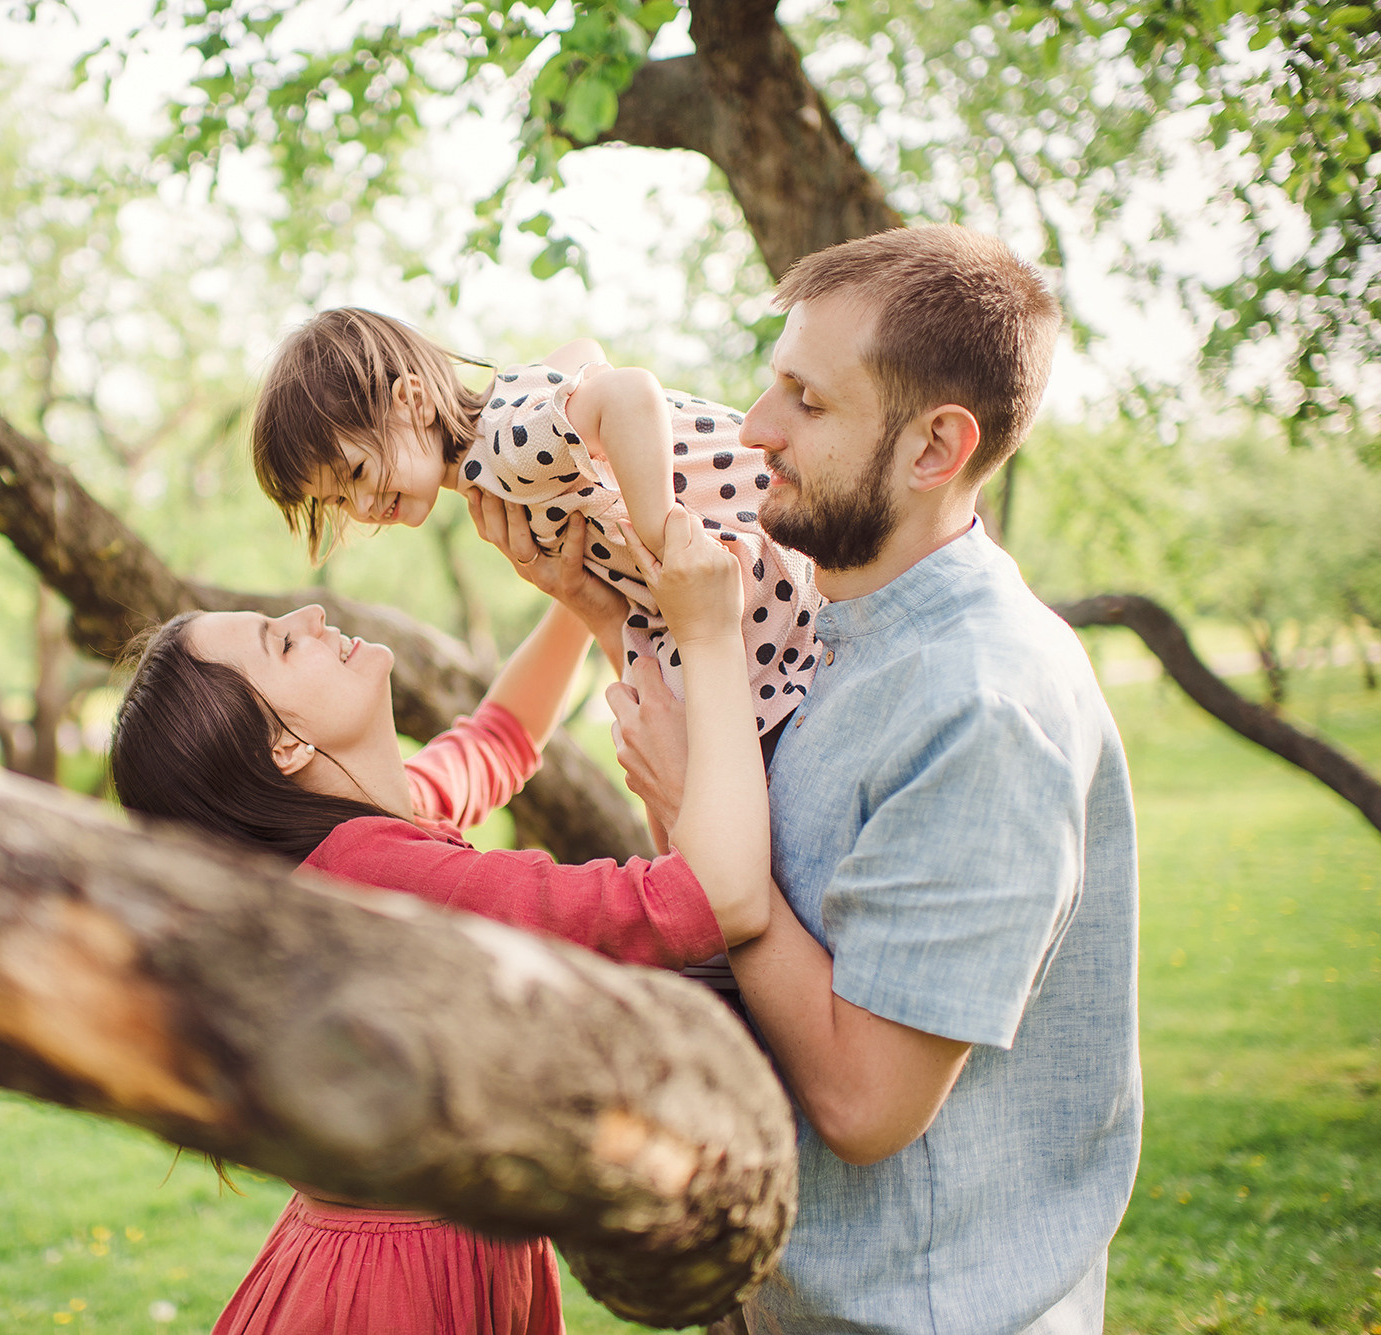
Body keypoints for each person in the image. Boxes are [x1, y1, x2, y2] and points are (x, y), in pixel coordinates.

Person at [610, 225, 1141, 1333]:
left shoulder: (979, 704)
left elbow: (864, 1103)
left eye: (806, 400)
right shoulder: (835, 640)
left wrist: (723, 871)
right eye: (771, 384)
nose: (756, 429)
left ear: (933, 448)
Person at [110, 493, 768, 1335]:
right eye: (280, 641)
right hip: (403, 1293)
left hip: (402, 1256)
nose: (312, 611)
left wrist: (577, 598)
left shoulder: (366, 839)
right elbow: (715, 898)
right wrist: (709, 636)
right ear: (285, 746)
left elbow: (500, 737)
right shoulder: (377, 885)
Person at [250, 307, 826, 735]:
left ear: (412, 402)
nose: (362, 507)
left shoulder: (503, 452)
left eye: (354, 471)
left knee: (698, 783)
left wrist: (662, 536)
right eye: (337, 501)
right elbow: (584, 348)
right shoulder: (506, 414)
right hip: (756, 545)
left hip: (754, 577)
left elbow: (628, 394)